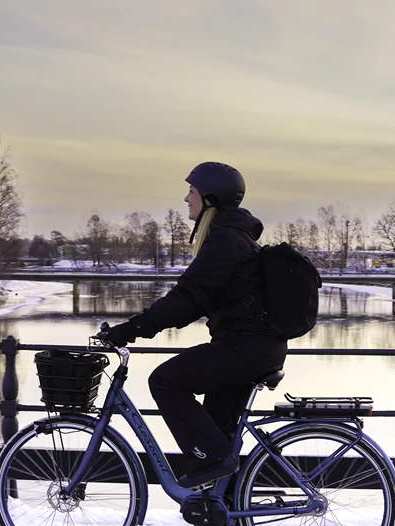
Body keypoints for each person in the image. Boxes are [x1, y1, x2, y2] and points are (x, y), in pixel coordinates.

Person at [101, 162, 287, 488]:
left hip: (244, 349)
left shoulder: (225, 241)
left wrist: (130, 329)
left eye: (192, 191)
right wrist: (147, 325)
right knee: (217, 431)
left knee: (165, 381)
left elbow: (187, 297)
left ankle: (211, 459)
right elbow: (196, 302)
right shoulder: (231, 237)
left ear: (209, 198)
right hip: (252, 348)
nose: (186, 198)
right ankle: (218, 509)